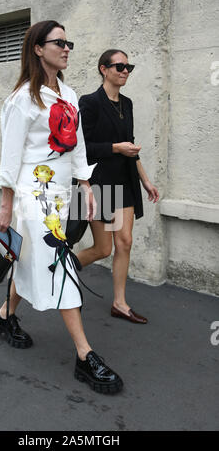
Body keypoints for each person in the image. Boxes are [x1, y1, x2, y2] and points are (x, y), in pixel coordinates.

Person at [0, 21, 123, 394]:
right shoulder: (21, 100)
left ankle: (5, 316)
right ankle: (84, 355)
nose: (67, 48)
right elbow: (10, 156)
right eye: (59, 42)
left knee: (29, 257)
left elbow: (78, 144)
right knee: (59, 261)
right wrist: (6, 205)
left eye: (69, 42)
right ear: (37, 48)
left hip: (62, 191)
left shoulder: (68, 92)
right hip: (33, 194)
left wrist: (86, 185)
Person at [77, 49, 159, 324]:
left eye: (128, 67)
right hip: (98, 183)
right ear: (104, 69)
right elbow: (82, 149)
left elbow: (131, 147)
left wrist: (145, 179)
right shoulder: (89, 103)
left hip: (125, 181)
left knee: (125, 242)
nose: (125, 71)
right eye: (119, 66)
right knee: (103, 249)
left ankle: (120, 304)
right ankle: (60, 269)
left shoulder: (128, 103)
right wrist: (115, 147)